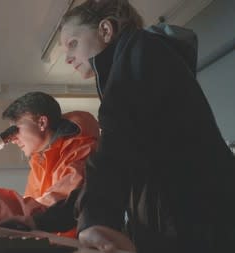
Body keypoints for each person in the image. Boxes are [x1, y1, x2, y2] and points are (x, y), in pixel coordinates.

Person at [28, 0, 235, 252]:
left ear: (105, 30)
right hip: (188, 224)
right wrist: (38, 221)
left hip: (196, 229)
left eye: (73, 43)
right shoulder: (134, 62)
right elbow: (111, 165)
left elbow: (115, 147)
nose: (68, 58)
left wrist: (97, 218)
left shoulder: (140, 52)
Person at [0, 91, 99, 237]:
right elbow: (30, 212)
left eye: (16, 128)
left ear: (42, 123)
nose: (12, 138)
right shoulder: (41, 159)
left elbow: (49, 214)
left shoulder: (81, 153)